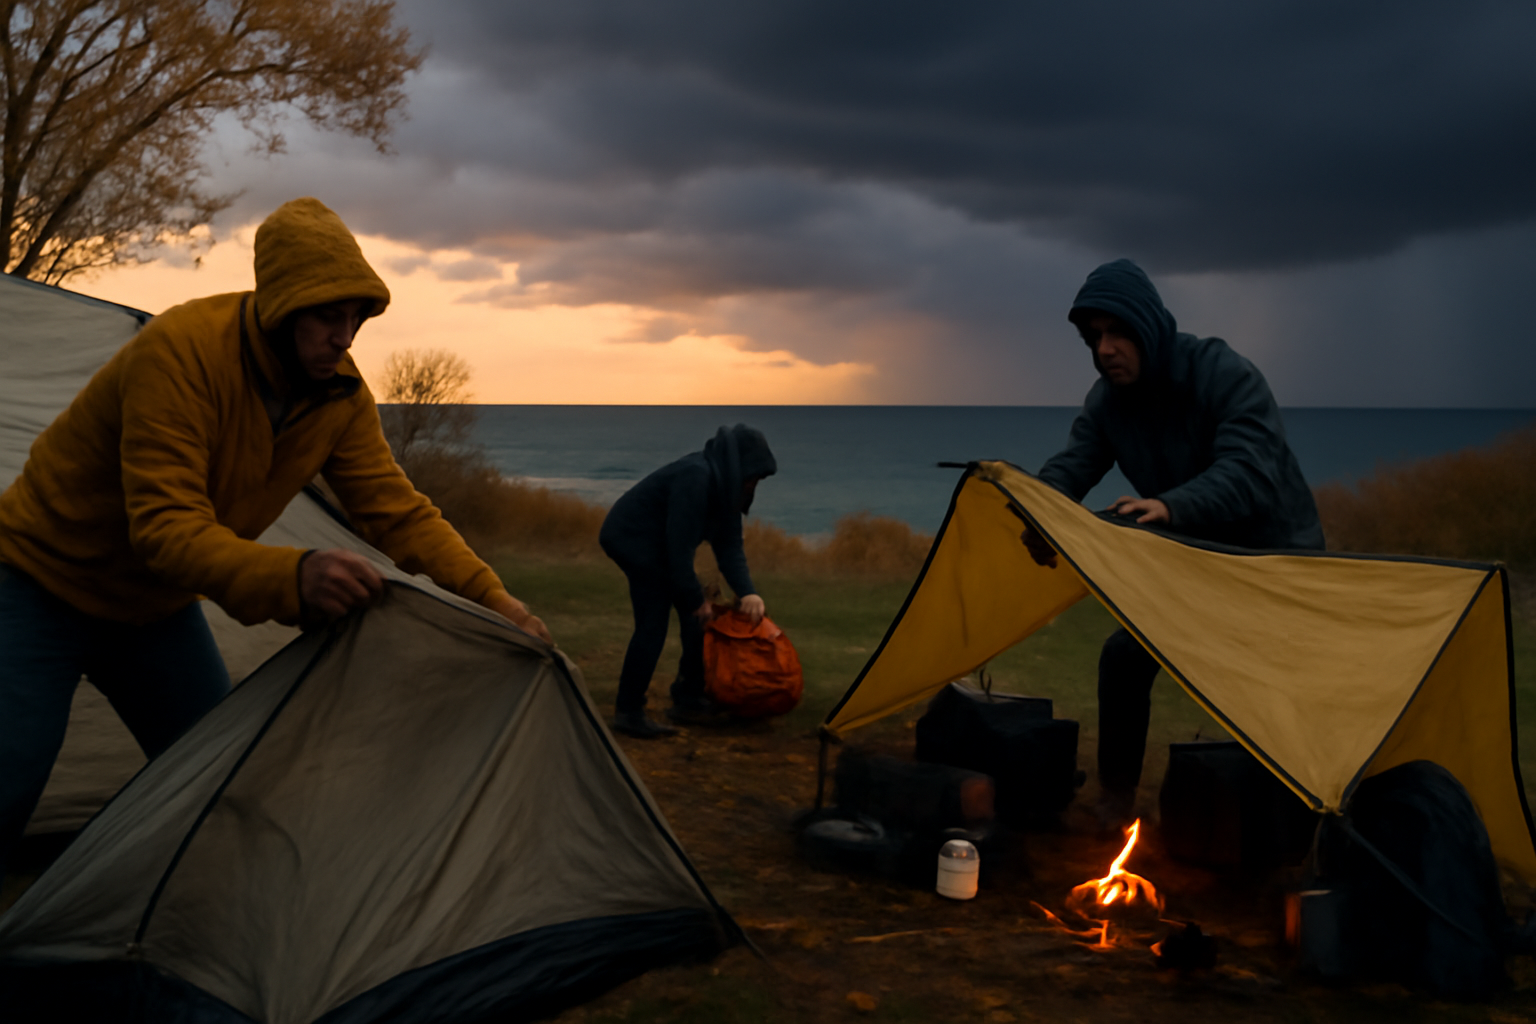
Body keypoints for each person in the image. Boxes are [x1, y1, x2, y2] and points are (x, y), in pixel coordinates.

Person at [0, 197, 550, 873]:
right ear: (284, 305)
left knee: (220, 778)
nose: (345, 336)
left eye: (357, 318)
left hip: (151, 611)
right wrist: (294, 577)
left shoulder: (340, 396)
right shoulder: (179, 353)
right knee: (9, 779)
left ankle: (193, 942)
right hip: (38, 580)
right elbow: (165, 528)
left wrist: (498, 604)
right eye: (329, 316)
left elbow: (395, 512)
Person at [1027, 258, 1323, 831]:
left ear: (1148, 327)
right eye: (1093, 338)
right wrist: (1037, 511)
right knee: (1124, 657)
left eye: (1117, 333)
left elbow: (1250, 469)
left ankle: (1300, 813)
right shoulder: (1108, 401)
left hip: (1277, 566)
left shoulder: (1223, 373)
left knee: (1275, 694)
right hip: (1194, 567)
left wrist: (1171, 506)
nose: (1105, 349)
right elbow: (1073, 465)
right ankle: (1116, 799)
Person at [599, 425, 777, 739]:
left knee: (695, 615)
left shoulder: (726, 489)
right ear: (741, 467)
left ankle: (688, 698)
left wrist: (748, 592)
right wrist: (695, 599)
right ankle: (629, 712)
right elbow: (678, 551)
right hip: (630, 538)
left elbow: (730, 547)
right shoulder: (695, 479)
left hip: (660, 546)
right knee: (654, 620)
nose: (754, 485)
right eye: (754, 477)